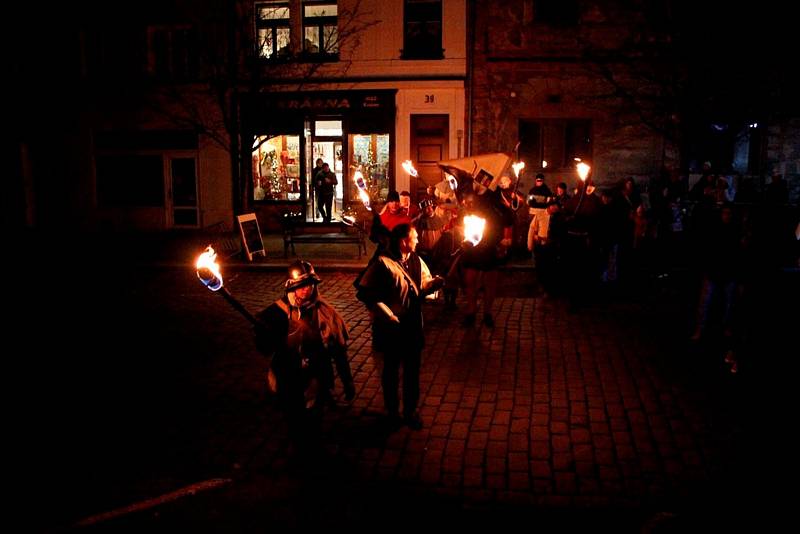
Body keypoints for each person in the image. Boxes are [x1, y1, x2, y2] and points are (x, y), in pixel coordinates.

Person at [254, 260, 353, 455]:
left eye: (310, 284)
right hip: (288, 378)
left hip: (317, 377)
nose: (307, 289)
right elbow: (265, 349)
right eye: (301, 286)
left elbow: (338, 350)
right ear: (291, 286)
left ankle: (313, 451)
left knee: (315, 420)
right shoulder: (275, 314)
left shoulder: (325, 312)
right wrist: (263, 335)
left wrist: (347, 380)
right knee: (295, 421)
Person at [355, 224, 444, 430]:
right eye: (415, 237)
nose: (418, 241)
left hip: (412, 326)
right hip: (391, 328)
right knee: (391, 371)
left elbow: (422, 285)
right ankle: (392, 412)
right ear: (404, 241)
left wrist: (434, 284)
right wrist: (387, 314)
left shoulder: (415, 259)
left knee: (412, 371)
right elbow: (365, 293)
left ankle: (410, 412)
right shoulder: (382, 263)